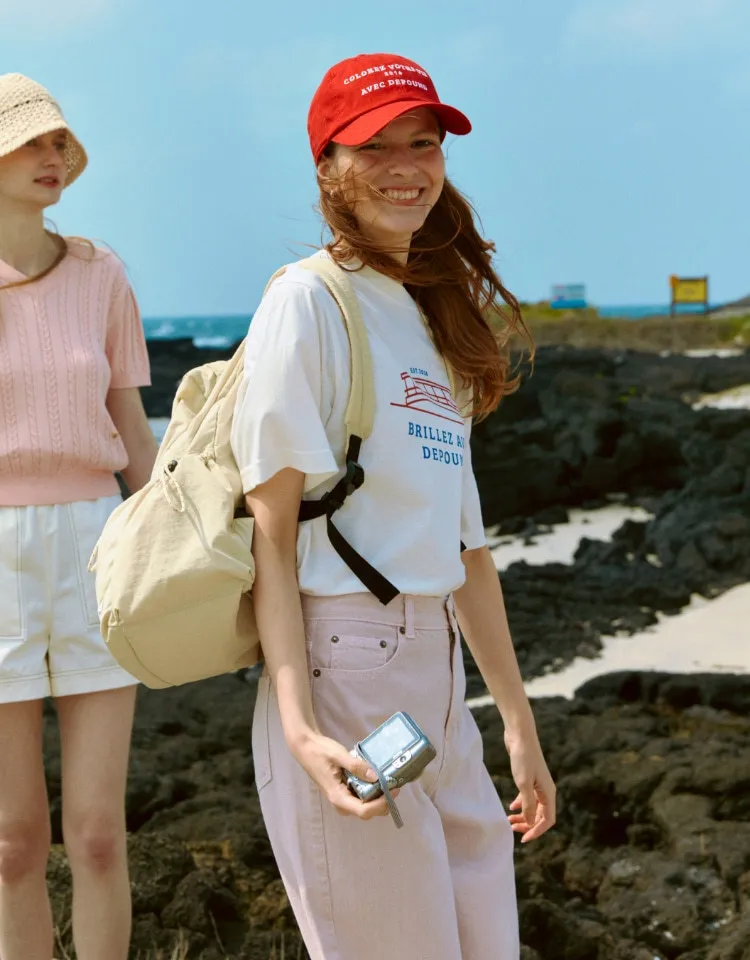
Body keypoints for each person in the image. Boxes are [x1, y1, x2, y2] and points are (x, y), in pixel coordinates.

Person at [230, 53, 556, 960]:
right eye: (375, 146)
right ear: (328, 166)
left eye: (424, 143)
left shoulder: (430, 315)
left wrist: (516, 723)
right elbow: (271, 531)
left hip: (438, 679)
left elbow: (467, 549)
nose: (406, 166)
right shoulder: (308, 301)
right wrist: (299, 726)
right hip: (346, 667)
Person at [0, 74, 157, 960]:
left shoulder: (102, 273)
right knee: (11, 845)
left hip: (98, 543)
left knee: (97, 834)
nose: (50, 155)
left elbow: (130, 421)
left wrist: (173, 544)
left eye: (57, 139)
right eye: (28, 140)